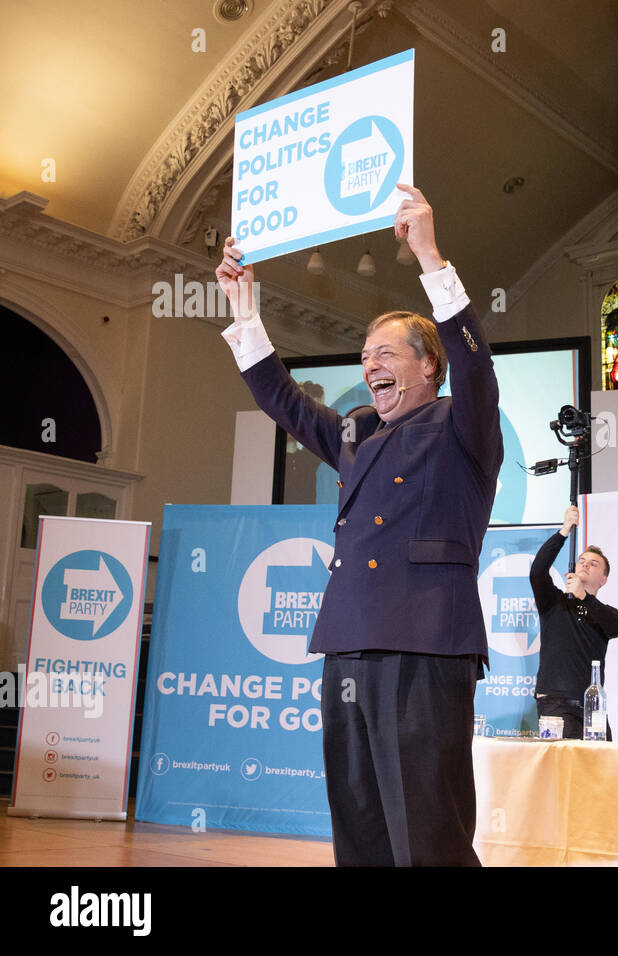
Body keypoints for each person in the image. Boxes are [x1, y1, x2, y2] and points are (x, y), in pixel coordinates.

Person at [215, 184, 503, 866]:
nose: (369, 364)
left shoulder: (462, 425)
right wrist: (244, 309)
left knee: (428, 832)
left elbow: (477, 364)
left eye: (387, 353)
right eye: (365, 354)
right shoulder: (354, 433)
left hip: (423, 644)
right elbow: (283, 399)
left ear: (428, 365)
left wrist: (429, 256)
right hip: (347, 642)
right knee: (362, 826)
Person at [530, 505, 618, 739]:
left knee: (603, 770)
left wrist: (584, 597)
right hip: (556, 704)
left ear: (603, 579)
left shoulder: (607, 614)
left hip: (593, 708)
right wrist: (563, 531)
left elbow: (615, 627)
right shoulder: (553, 602)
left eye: (593, 563)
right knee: (563, 771)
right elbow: (537, 571)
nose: (585, 564)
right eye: (582, 560)